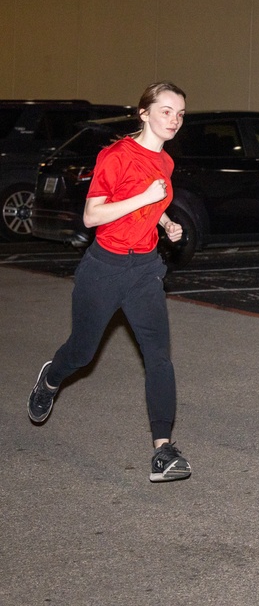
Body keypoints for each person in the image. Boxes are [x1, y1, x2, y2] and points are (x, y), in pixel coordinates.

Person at [28, 81, 193, 481]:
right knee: (82, 354)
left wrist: (167, 222)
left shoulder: (165, 163)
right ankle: (51, 378)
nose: (174, 120)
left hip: (145, 271)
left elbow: (154, 205)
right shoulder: (116, 156)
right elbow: (92, 216)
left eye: (180, 114)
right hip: (104, 268)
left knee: (159, 358)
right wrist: (143, 198)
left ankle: (162, 451)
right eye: (167, 111)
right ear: (144, 113)